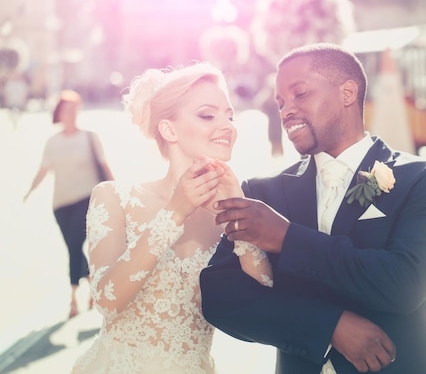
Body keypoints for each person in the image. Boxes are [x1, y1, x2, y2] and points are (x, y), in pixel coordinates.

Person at [200, 43, 426, 374]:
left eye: (300, 94)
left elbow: (404, 285)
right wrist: (328, 327)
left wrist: (286, 238)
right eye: (280, 103)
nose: (286, 110)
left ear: (347, 92)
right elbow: (221, 297)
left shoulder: (424, 179)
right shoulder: (262, 193)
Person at [70, 62, 272, 374]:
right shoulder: (114, 198)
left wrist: (238, 209)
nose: (226, 125)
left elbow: (266, 300)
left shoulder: (231, 210)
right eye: (208, 114)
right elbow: (106, 301)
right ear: (169, 129)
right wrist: (174, 213)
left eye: (229, 115)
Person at [23, 90, 114, 318]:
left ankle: (73, 299)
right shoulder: (52, 142)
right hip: (61, 205)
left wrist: (116, 192)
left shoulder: (90, 137)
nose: (71, 114)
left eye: (74, 109)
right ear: (60, 113)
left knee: (74, 246)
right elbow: (43, 170)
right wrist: (29, 191)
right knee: (73, 247)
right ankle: (92, 280)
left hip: (86, 199)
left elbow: (104, 165)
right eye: (66, 110)